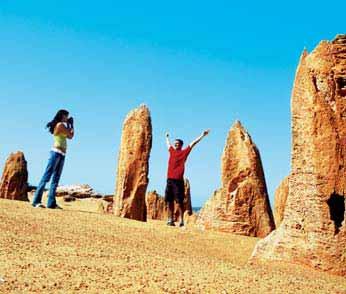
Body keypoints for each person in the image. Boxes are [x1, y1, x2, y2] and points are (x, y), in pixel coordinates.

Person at [165, 129, 210, 226]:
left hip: (178, 180)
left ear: (181, 145)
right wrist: (167, 137)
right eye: (175, 143)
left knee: (179, 201)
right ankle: (170, 220)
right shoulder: (172, 151)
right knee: (169, 201)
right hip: (169, 179)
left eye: (177, 144)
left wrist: (202, 135)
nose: (175, 145)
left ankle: (181, 221)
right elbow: (168, 144)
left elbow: (193, 143)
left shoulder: (184, 152)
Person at [32, 109, 74, 209]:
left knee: (56, 179)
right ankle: (36, 201)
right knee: (46, 177)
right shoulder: (60, 125)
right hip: (55, 153)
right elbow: (70, 134)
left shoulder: (64, 125)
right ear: (62, 116)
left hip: (62, 154)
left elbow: (71, 137)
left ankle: (51, 203)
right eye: (66, 116)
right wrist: (70, 125)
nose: (67, 118)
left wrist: (71, 125)